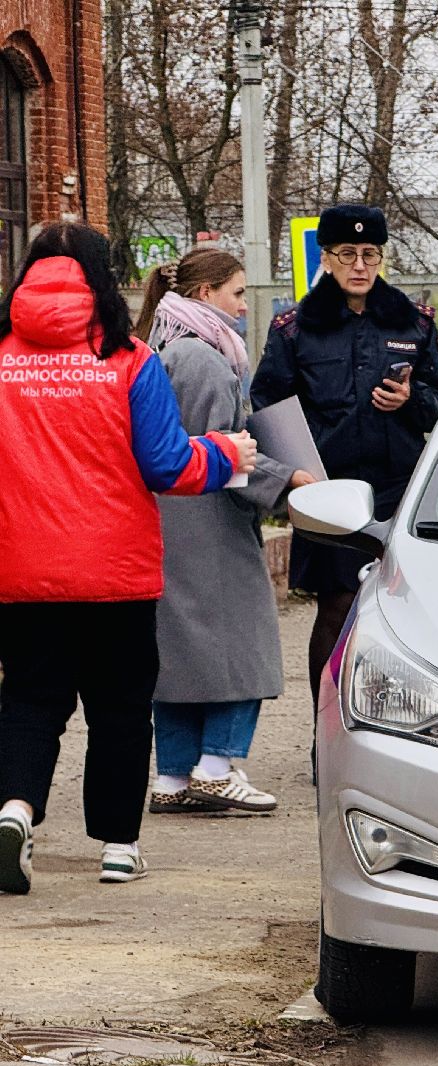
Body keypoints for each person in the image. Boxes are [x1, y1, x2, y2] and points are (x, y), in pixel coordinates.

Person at [0, 223, 256, 895]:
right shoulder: (128, 358)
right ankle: (119, 846)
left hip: (21, 571)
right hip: (116, 572)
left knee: (29, 702)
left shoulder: (1, 356)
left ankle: (14, 811)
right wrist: (226, 452)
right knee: (118, 708)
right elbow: (167, 465)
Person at [134, 249, 318, 815]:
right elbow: (221, 451)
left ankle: (172, 779)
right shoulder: (204, 358)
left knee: (180, 659)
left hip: (172, 525)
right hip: (209, 526)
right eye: (237, 292)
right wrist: (290, 478)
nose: (243, 306)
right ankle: (216, 768)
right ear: (205, 293)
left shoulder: (166, 346)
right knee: (245, 649)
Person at [250, 204, 438, 715]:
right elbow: (268, 407)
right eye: (347, 254)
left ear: (381, 257)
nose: (359, 265)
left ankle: (401, 721)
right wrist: (295, 479)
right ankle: (327, 729)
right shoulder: (295, 329)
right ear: (326, 258)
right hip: (329, 493)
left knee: (402, 608)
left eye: (369, 254)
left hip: (398, 490)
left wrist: (412, 400)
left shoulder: (412, 322)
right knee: (338, 607)